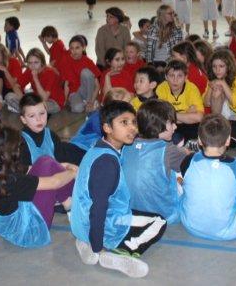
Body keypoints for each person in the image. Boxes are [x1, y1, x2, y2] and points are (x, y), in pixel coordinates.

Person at [71, 101, 167, 279]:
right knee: (159, 221)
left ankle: (85, 242)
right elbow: (99, 207)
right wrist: (98, 245)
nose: (132, 128)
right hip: (100, 224)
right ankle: (122, 251)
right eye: (124, 122)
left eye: (134, 122)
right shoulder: (107, 162)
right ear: (107, 127)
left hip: (80, 223)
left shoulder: (97, 148)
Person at [0, 126, 77, 248]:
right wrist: (74, 172)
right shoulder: (6, 180)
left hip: (13, 227)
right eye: (17, 148)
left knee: (45, 161)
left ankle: (69, 204)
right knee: (52, 169)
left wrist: (64, 165)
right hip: (30, 232)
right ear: (6, 154)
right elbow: (54, 182)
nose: (19, 150)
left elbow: (33, 168)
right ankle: (73, 205)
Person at [121, 99, 190, 224]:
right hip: (163, 214)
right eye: (171, 123)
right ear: (158, 125)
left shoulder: (126, 145)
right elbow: (190, 163)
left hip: (130, 210)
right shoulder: (167, 149)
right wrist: (187, 152)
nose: (175, 126)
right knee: (184, 174)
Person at [18, 93, 86, 166]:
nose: (39, 119)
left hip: (56, 170)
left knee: (72, 150)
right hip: (38, 173)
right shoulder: (21, 143)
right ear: (23, 119)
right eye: (32, 116)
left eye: (42, 113)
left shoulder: (51, 136)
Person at [156, 60, 204, 142]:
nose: (175, 80)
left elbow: (199, 117)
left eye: (179, 76)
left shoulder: (191, 88)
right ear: (166, 77)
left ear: (186, 77)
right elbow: (161, 116)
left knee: (200, 128)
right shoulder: (161, 88)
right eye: (172, 75)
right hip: (170, 126)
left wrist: (172, 115)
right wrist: (187, 114)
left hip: (189, 126)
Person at [56, 35, 101, 113]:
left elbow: (97, 86)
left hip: (87, 92)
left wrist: (91, 101)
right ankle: (86, 104)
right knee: (77, 108)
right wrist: (65, 100)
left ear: (83, 48)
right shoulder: (65, 61)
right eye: (72, 48)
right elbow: (67, 83)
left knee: (85, 72)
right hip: (75, 92)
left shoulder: (88, 61)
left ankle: (89, 103)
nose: (74, 51)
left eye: (77, 48)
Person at [204, 48, 236, 121]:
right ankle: (217, 121)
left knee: (219, 87)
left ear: (228, 66)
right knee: (217, 90)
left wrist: (223, 84)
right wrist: (211, 86)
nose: (217, 70)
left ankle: (218, 121)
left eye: (221, 66)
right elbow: (206, 103)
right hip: (222, 114)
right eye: (214, 66)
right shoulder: (213, 77)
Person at [21, 48, 65, 115]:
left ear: (42, 62)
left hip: (54, 102)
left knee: (34, 107)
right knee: (9, 96)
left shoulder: (50, 73)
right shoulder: (29, 70)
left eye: (36, 62)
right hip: (37, 99)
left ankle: (26, 110)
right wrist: (21, 99)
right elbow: (17, 85)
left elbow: (44, 98)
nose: (33, 66)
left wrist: (35, 78)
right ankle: (27, 110)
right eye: (30, 63)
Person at [0, 44, 24, 114]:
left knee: (10, 97)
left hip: (15, 90)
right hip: (2, 91)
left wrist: (5, 71)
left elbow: (14, 85)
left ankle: (13, 105)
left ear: (4, 56)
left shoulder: (14, 62)